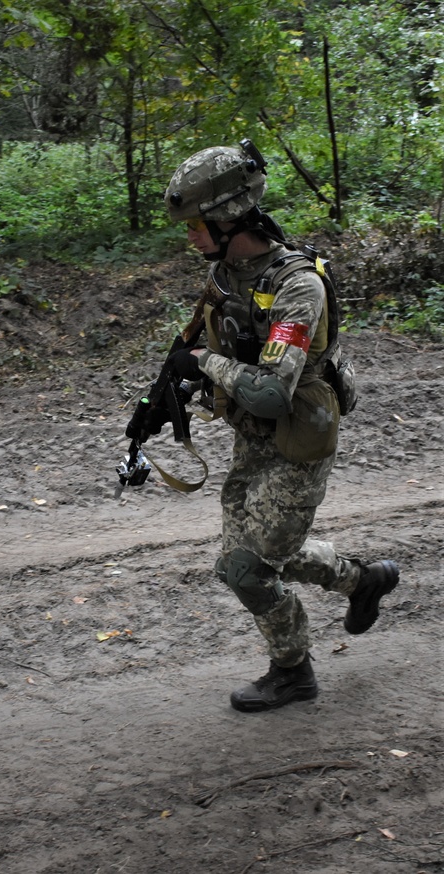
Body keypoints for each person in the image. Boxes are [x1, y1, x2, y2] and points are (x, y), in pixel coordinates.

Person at [155, 140, 399, 713]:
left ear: (229, 218)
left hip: (298, 438)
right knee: (247, 560)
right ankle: (363, 580)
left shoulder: (296, 285)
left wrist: (204, 364)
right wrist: (174, 389)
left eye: (196, 225)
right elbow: (210, 342)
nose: (190, 237)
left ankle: (293, 674)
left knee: (249, 570)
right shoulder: (228, 273)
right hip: (253, 438)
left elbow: (269, 393)